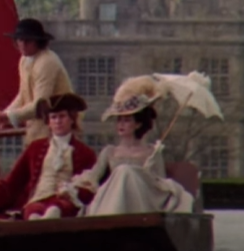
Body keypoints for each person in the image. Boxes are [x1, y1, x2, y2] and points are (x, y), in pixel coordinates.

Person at [72, 76, 193, 216]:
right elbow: (93, 177)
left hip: (140, 203)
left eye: (127, 120)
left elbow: (160, 186)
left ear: (138, 124)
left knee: (126, 171)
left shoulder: (151, 152)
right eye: (119, 120)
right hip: (112, 201)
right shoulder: (110, 152)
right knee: (122, 171)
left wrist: (146, 175)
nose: (121, 125)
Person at [0, 93, 98, 222]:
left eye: (62, 116)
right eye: (53, 117)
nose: (58, 121)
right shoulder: (35, 148)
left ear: (72, 119)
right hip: (38, 199)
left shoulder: (86, 153)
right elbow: (13, 181)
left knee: (55, 209)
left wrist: (74, 192)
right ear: (48, 122)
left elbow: (90, 187)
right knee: (33, 212)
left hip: (65, 203)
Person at [0, 18, 74, 146]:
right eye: (20, 40)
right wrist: (4, 116)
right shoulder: (24, 61)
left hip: (58, 126)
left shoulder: (47, 62)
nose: (23, 45)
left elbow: (40, 104)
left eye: (28, 41)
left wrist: (6, 117)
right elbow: (23, 95)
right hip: (37, 126)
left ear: (38, 42)